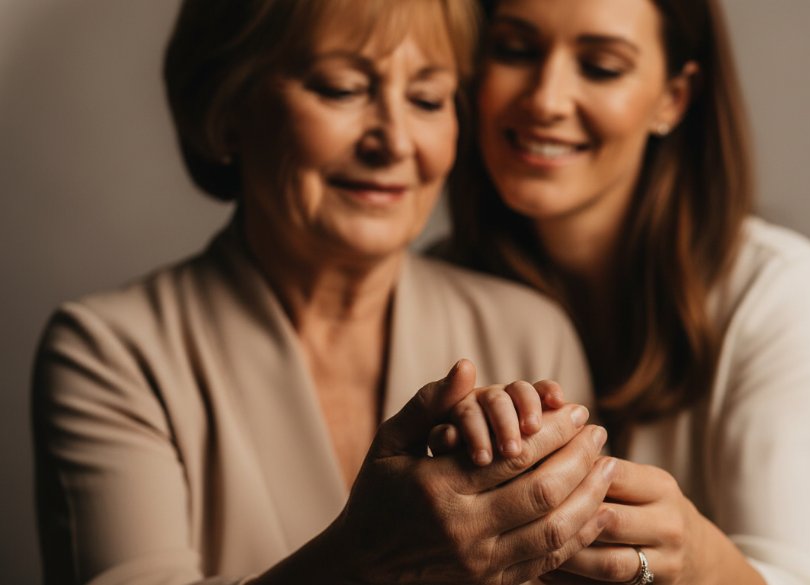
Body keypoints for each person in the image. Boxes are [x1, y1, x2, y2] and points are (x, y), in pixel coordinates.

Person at [31, 1, 619, 583]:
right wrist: (369, 562)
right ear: (227, 106)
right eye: (341, 89)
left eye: (427, 100)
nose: (394, 141)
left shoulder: (530, 329)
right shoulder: (110, 353)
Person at [447, 0, 810, 584]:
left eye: (602, 66)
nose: (545, 99)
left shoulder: (775, 292)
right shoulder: (427, 291)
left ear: (674, 97)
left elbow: (805, 574)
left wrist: (697, 561)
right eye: (516, 51)